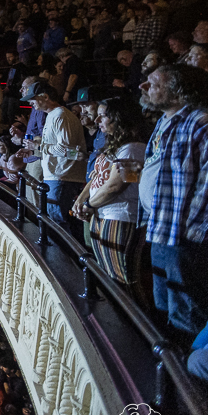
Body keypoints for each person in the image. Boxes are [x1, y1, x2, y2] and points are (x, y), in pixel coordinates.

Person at [138, 63, 208, 335]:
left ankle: (186, 375)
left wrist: (193, 232)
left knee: (188, 312)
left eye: (154, 84)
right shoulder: (163, 121)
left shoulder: (201, 122)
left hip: (184, 238)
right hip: (161, 230)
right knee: (164, 306)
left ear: (179, 91)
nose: (143, 87)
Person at [70, 96, 148, 285]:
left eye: (102, 116)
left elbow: (116, 186)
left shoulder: (134, 149)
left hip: (120, 217)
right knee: (107, 274)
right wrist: (81, 201)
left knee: (121, 277)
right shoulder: (116, 147)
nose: (96, 121)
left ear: (120, 118)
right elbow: (97, 177)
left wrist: (88, 205)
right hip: (102, 214)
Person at [22, 80, 86, 229]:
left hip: (63, 176)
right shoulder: (53, 115)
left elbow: (70, 151)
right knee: (55, 220)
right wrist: (36, 149)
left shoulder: (61, 115)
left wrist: (38, 145)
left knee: (59, 222)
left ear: (44, 96)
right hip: (56, 176)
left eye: (33, 98)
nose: (30, 102)